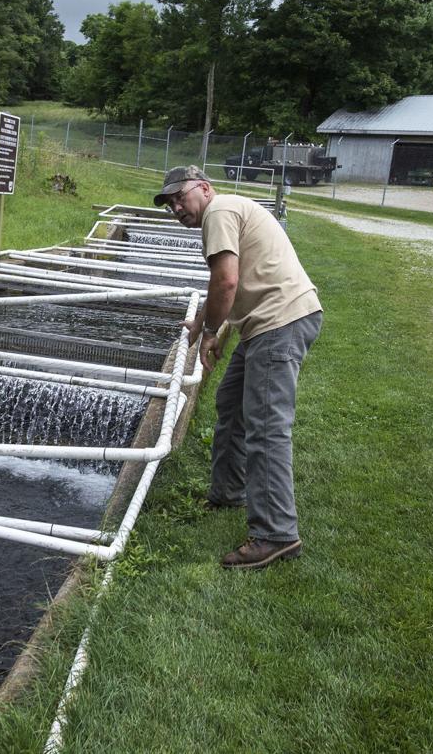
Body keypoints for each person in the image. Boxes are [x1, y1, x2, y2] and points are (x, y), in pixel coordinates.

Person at [153, 165, 322, 570]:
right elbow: (235, 285)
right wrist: (203, 326)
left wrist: (211, 332)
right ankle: (229, 491)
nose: (177, 207)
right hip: (267, 323)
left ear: (205, 188)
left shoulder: (219, 212)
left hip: (279, 322)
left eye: (181, 197)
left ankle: (276, 533)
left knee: (266, 426)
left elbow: (226, 282)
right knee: (231, 404)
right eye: (170, 203)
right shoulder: (226, 211)